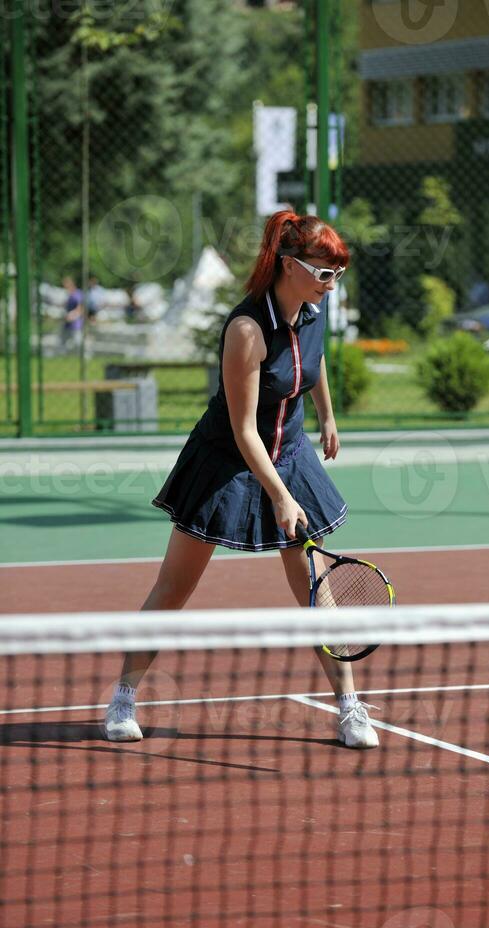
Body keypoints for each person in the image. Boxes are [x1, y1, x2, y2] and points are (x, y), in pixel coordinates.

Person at [104, 211, 379, 749]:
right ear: (287, 266)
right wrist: (280, 495)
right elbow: (244, 428)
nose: (331, 284)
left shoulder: (313, 310)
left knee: (315, 588)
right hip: (227, 461)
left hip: (291, 454)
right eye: (324, 273)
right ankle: (123, 696)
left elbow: (313, 365)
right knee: (174, 587)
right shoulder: (246, 330)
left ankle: (349, 707)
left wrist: (326, 416)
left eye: (337, 274)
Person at [60, 276, 84, 351]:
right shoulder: (69, 295)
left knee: (78, 341)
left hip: (76, 323)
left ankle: (85, 356)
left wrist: (72, 315)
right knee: (62, 340)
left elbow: (81, 308)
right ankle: (62, 355)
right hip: (67, 323)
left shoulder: (77, 294)